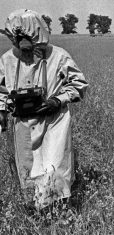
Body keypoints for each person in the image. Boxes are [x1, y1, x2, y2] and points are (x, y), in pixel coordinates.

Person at [0, 9, 88, 210]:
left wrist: (57, 100)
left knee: (54, 168)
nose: (26, 52)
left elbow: (79, 84)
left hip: (53, 122)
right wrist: (4, 109)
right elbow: (1, 91)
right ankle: (35, 213)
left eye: (29, 47)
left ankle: (57, 212)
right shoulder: (7, 60)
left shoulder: (58, 56)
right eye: (21, 45)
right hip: (23, 124)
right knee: (28, 168)